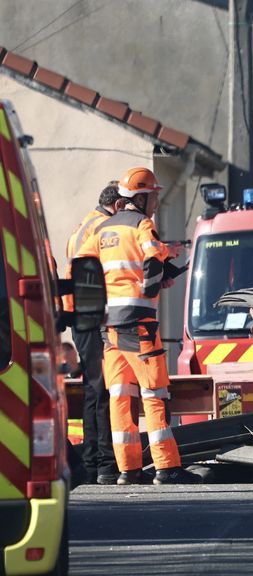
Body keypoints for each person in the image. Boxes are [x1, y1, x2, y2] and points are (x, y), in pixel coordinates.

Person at [77, 167, 199, 485]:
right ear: (141, 197)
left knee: (120, 396)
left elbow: (82, 266)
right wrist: (152, 286)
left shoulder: (101, 230)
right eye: (155, 196)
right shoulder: (143, 225)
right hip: (140, 325)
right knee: (154, 394)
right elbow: (150, 262)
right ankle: (166, 467)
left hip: (108, 329)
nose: (157, 203)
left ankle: (127, 471)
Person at [64, 182, 119, 485]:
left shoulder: (84, 224)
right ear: (119, 206)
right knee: (101, 390)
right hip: (92, 315)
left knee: (93, 389)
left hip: (80, 315)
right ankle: (101, 463)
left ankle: (93, 462)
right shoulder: (103, 227)